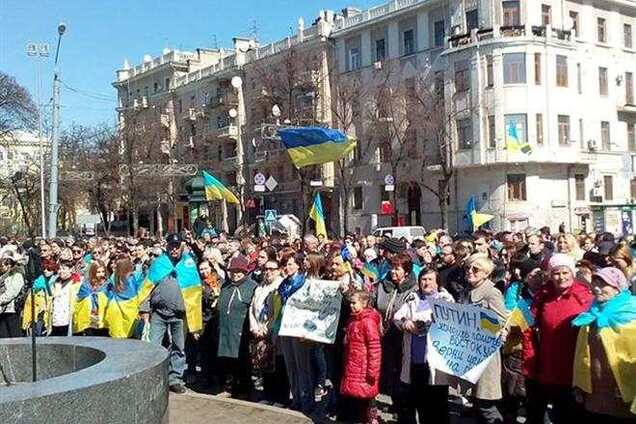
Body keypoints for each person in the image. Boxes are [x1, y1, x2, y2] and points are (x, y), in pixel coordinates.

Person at [523, 253, 593, 424]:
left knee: (574, 414)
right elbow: (528, 324)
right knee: (557, 413)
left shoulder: (585, 297)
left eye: (565, 272)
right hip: (549, 364)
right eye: (556, 273)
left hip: (574, 366)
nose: (561, 277)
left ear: (572, 273)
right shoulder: (543, 296)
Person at [572, 267, 636, 422]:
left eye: (603, 284)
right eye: (595, 283)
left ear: (617, 288)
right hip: (596, 390)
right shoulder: (590, 316)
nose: (596, 288)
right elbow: (581, 355)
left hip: (624, 391)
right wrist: (579, 385)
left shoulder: (631, 317)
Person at [393, 269, 453, 424]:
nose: (426, 283)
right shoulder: (413, 298)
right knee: (415, 402)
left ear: (437, 282)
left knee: (436, 407)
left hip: (434, 364)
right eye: (423, 279)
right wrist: (405, 322)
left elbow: (448, 322)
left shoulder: (445, 299)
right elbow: (397, 317)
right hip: (414, 361)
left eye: (430, 279)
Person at [140, 234, 194, 394]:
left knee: (179, 347)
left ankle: (175, 379)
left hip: (179, 315)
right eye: (171, 246)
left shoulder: (188, 264)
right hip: (159, 313)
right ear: (167, 246)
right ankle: (153, 377)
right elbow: (147, 286)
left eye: (177, 246)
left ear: (181, 247)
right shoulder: (159, 264)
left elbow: (195, 289)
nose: (174, 249)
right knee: (153, 346)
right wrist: (144, 309)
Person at [458, 254, 508, 424]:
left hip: (485, 356)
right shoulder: (466, 291)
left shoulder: (491, 293)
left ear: (486, 273)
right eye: (468, 268)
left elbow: (501, 320)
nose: (470, 271)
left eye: (475, 269)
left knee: (486, 406)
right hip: (469, 354)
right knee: (476, 404)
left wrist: (476, 321)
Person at [373, 253, 418, 414]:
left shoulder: (414, 289)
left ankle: (405, 405)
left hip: (403, 335)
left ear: (406, 271)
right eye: (391, 267)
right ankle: (396, 401)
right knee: (389, 369)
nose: (392, 271)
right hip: (384, 334)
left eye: (397, 268)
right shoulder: (382, 286)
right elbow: (373, 305)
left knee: (403, 371)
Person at [217, 254, 257, 399]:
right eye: (232, 271)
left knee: (243, 362)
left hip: (242, 331)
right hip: (226, 330)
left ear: (245, 271)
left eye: (238, 271)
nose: (235, 274)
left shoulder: (252, 287)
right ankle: (229, 387)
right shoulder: (225, 286)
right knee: (227, 361)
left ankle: (245, 389)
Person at [249, 258, 287, 405]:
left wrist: (267, 328)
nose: (268, 272)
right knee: (265, 363)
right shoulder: (259, 287)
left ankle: (280, 396)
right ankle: (268, 394)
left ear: (278, 271)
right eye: (266, 269)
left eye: (272, 269)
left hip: (274, 332)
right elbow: (252, 309)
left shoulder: (281, 287)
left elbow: (277, 313)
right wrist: (254, 327)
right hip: (259, 330)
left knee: (278, 365)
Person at [340, 290, 382, 424]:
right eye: (350, 303)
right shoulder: (353, 320)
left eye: (354, 303)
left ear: (364, 303)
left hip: (363, 371)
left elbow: (374, 349)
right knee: (355, 404)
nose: (351, 305)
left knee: (363, 404)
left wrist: (372, 372)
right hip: (353, 367)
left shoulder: (368, 322)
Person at [73, 260, 109, 336]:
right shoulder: (86, 285)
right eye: (98, 272)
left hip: (103, 321)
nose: (101, 274)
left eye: (103, 271)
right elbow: (79, 301)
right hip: (88, 320)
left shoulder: (108, 284)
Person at [0, 247, 26, 338]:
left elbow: (12, 292)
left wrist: (0, 300)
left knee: (14, 336)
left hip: (12, 310)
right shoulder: (2, 276)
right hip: (2, 311)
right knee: (3, 336)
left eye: (5, 264)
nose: (2, 266)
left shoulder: (17, 275)